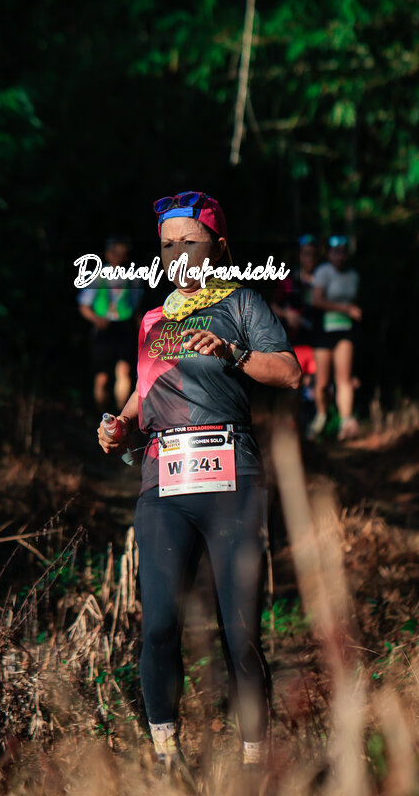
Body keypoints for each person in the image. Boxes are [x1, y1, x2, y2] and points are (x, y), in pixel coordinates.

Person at [97, 191, 301, 776]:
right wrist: (118, 426)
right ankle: (167, 759)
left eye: (190, 242)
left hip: (232, 479)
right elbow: (146, 394)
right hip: (163, 483)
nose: (177, 254)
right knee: (159, 625)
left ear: (218, 246)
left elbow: (288, 372)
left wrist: (234, 351)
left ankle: (255, 764)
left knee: (239, 630)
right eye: (167, 245)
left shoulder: (241, 302)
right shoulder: (153, 321)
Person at [77, 237, 143, 411]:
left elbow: (136, 307)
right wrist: (96, 319)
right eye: (116, 253)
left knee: (124, 371)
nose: (119, 257)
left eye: (123, 253)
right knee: (102, 377)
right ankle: (101, 416)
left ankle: (121, 416)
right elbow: (83, 305)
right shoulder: (96, 276)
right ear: (108, 254)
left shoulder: (134, 277)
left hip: (125, 328)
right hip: (103, 330)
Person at [310, 235, 362, 440]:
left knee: (344, 378)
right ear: (329, 254)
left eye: (343, 252)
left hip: (345, 330)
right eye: (335, 252)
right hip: (324, 330)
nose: (340, 256)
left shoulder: (354, 276)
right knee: (322, 382)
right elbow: (317, 300)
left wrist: (351, 311)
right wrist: (346, 309)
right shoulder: (323, 272)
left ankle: (345, 421)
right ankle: (321, 416)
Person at [270, 233, 320, 383]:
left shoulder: (324, 279)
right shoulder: (288, 279)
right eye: (306, 253)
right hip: (294, 342)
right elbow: (273, 305)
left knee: (317, 385)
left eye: (314, 254)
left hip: (319, 342)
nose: (310, 258)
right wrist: (287, 314)